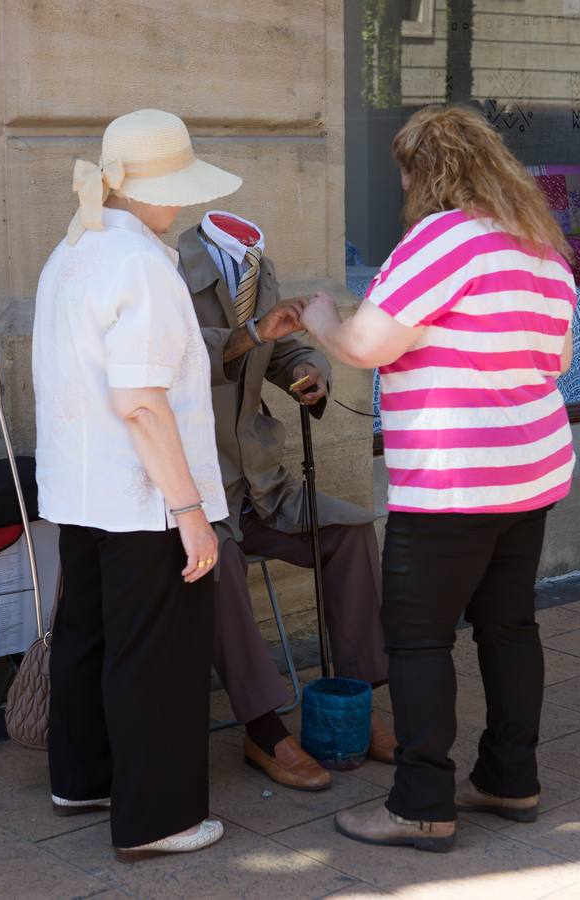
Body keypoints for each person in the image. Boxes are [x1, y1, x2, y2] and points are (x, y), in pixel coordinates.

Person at [300, 104, 576, 852]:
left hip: (454, 479)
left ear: (425, 172)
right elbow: (555, 363)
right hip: (531, 470)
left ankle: (420, 802)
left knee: (417, 639)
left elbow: (364, 343)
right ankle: (509, 779)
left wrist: (323, 319)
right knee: (508, 626)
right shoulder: (540, 245)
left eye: (403, 171)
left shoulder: (442, 238)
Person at [32, 109, 243, 862]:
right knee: (155, 655)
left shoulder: (74, 249)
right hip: (141, 490)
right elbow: (143, 401)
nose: (180, 203)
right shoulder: (141, 264)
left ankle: (81, 778)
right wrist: (189, 510)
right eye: (175, 187)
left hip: (80, 487)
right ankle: (158, 818)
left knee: (88, 635)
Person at [176, 210, 396, 790]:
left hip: (260, 483)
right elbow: (183, 356)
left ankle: (358, 698)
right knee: (216, 566)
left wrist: (308, 369)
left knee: (348, 529)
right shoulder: (169, 270)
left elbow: (281, 350)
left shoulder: (257, 267)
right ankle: (263, 727)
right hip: (198, 490)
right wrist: (254, 333)